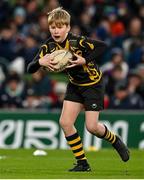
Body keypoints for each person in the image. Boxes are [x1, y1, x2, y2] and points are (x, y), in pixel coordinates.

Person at [27, 7, 130, 172]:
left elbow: (103, 46)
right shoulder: (48, 46)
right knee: (65, 122)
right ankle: (83, 163)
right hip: (75, 85)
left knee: (92, 127)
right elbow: (30, 69)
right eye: (52, 27)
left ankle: (115, 140)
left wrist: (85, 60)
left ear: (68, 28)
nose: (56, 30)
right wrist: (40, 62)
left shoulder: (78, 41)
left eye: (60, 27)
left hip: (93, 84)